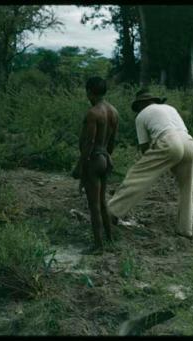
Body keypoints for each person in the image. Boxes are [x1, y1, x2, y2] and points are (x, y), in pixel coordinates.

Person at [107, 89, 193, 238]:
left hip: (169, 141)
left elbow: (144, 148)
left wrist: (153, 166)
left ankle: (112, 212)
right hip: (190, 143)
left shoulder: (141, 115)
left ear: (141, 104)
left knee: (137, 175)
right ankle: (185, 230)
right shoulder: (170, 108)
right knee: (187, 188)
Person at [71, 76, 119, 254]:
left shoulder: (93, 113)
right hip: (105, 158)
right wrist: (107, 157)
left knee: (94, 205)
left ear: (89, 91)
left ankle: (98, 246)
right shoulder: (113, 111)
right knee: (102, 202)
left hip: (93, 159)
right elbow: (112, 141)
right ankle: (110, 239)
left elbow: (89, 143)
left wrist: (79, 166)